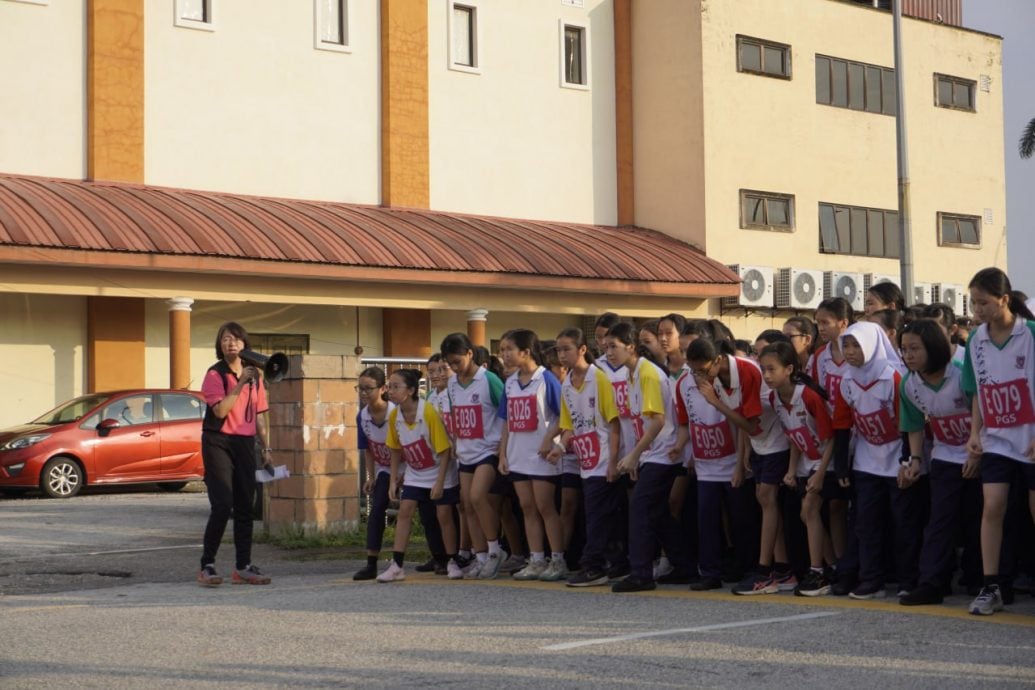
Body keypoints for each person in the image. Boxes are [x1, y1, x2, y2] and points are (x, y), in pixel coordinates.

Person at [832, 321, 925, 600]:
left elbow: (909, 421)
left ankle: (908, 578)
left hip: (897, 454)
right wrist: (841, 463)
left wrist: (908, 460)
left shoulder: (893, 376)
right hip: (866, 458)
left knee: (903, 522)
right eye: (845, 345)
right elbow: (842, 422)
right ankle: (870, 579)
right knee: (866, 522)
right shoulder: (847, 379)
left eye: (856, 345)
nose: (849, 351)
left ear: (872, 346)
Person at [962, 267, 1035, 615]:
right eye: (973, 303)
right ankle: (991, 586)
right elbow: (977, 389)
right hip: (997, 440)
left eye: (983, 303)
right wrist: (975, 433)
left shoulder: (1031, 334)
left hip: (1030, 438)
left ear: (1004, 300)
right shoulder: (976, 339)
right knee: (992, 507)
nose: (977, 310)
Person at [898, 319, 981, 605]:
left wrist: (975, 453)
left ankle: (978, 578)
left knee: (977, 517)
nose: (908, 355)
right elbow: (913, 425)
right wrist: (916, 459)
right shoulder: (909, 384)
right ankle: (933, 582)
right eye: (904, 349)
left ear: (933, 347)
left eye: (915, 348)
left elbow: (981, 414)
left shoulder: (960, 375)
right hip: (945, 457)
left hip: (977, 453)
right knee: (939, 521)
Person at [681, 338, 765, 593]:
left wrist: (740, 465)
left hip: (751, 449)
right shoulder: (700, 381)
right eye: (694, 371)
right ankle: (710, 572)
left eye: (703, 370)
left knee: (742, 518)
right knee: (706, 517)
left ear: (718, 360)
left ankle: (750, 569)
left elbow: (748, 426)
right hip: (709, 462)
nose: (699, 376)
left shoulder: (747, 371)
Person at [606, 322, 684, 592]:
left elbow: (659, 421)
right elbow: (638, 422)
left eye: (613, 347)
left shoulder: (647, 373)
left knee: (639, 507)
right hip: (651, 452)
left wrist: (634, 455)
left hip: (664, 451)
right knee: (657, 511)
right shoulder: (632, 374)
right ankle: (683, 564)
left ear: (630, 346)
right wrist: (636, 457)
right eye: (605, 347)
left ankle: (641, 573)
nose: (608, 353)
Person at [198, 321, 272, 587]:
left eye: (237, 339)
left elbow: (260, 416)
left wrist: (267, 448)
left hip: (244, 443)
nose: (231, 343)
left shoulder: (256, 377)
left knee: (245, 505)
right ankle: (207, 565)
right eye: (226, 339)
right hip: (218, 442)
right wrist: (240, 383)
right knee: (222, 504)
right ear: (220, 345)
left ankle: (243, 566)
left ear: (245, 345)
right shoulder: (215, 374)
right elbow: (220, 411)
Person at [550, 328, 624, 587]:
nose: (561, 355)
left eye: (566, 349)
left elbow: (614, 424)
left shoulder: (599, 379)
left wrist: (613, 462)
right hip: (585, 459)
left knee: (596, 514)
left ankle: (593, 565)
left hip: (603, 457)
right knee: (601, 514)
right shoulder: (567, 384)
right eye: (558, 350)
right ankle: (615, 561)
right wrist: (559, 447)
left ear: (582, 350)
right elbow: (569, 425)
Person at [761, 342, 836, 596]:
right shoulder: (774, 398)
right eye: (763, 370)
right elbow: (794, 436)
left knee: (809, 509)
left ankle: (817, 572)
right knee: (807, 515)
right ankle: (832, 566)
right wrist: (792, 470)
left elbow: (832, 437)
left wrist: (821, 472)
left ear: (789, 368)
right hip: (806, 461)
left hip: (827, 460)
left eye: (772, 369)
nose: (767, 376)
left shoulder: (808, 396)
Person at [497, 329, 569, 582]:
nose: (504, 354)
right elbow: (505, 421)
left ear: (525, 352)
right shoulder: (510, 382)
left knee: (546, 507)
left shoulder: (546, 379)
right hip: (518, 453)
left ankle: (558, 559)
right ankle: (536, 558)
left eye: (509, 349)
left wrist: (549, 440)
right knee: (527, 507)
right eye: (502, 349)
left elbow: (563, 414)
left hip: (541, 455)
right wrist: (503, 454)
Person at [377, 369, 460, 582]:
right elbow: (395, 449)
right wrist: (394, 478)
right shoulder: (395, 415)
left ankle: (452, 560)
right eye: (390, 386)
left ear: (412, 390)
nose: (391, 391)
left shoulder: (429, 413)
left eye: (396, 386)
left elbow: (444, 452)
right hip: (416, 471)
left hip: (439, 469)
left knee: (444, 515)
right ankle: (397, 565)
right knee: (405, 511)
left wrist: (440, 482)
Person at [441, 332, 509, 579]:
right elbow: (457, 417)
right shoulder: (451, 383)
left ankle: (494, 550)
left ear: (470, 354)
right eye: (450, 364)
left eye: (458, 361)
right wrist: (456, 443)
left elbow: (508, 410)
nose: (454, 367)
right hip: (466, 452)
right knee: (467, 504)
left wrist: (503, 447)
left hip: (488, 449)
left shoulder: (488, 379)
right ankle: (479, 556)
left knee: (478, 496)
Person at [808, 297, 855, 592]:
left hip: (858, 434)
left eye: (825, 322)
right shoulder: (819, 357)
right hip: (832, 435)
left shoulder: (856, 353)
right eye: (818, 322)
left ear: (843, 323)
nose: (821, 327)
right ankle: (838, 563)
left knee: (853, 505)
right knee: (834, 503)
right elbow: (817, 396)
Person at [352, 367, 396, 581]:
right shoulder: (362, 416)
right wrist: (370, 477)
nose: (363, 393)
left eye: (368, 388)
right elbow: (368, 449)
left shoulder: (396, 413)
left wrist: (398, 478)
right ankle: (371, 563)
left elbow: (402, 449)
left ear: (382, 389)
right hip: (384, 469)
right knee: (377, 510)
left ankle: (440, 557)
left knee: (421, 510)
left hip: (408, 468)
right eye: (359, 388)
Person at [544, 340, 582, 564]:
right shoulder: (561, 386)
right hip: (566, 453)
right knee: (566, 503)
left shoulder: (590, 379)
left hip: (591, 453)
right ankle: (561, 556)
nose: (556, 371)